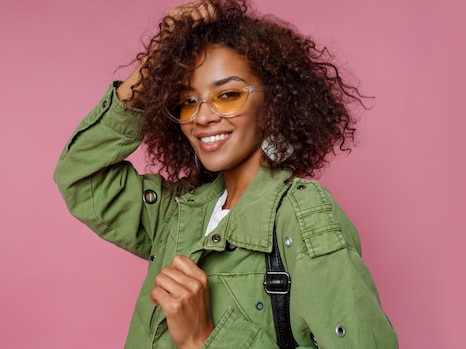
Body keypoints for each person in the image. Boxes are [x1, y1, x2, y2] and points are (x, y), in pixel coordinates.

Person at [54, 0, 398, 348]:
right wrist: (155, 62)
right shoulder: (178, 212)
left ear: (273, 103)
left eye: (228, 95)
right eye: (188, 101)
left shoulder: (302, 216)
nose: (202, 117)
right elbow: (81, 176)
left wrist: (204, 339)